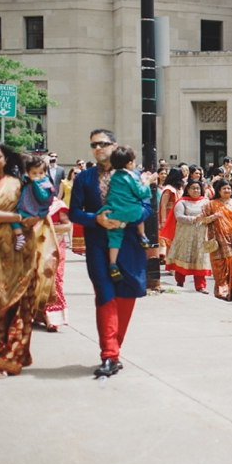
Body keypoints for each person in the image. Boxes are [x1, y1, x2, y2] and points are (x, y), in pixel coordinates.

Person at [69, 129, 152, 377]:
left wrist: (129, 218)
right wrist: (97, 219)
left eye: (103, 144)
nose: (98, 149)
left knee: (126, 296)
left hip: (129, 243)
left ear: (114, 146)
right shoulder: (84, 178)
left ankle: (114, 351)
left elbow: (148, 207)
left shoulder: (133, 175)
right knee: (104, 295)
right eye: (93, 145)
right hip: (97, 244)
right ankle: (109, 355)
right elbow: (74, 213)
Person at [0, 143, 57, 377]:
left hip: (22, 250)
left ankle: (8, 357)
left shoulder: (19, 183)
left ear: (6, 160)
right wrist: (17, 217)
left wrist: (36, 216)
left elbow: (41, 206)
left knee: (22, 303)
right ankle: (3, 350)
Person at [98, 146, 154, 281]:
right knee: (140, 210)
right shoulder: (131, 176)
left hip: (114, 211)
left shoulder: (113, 176)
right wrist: (147, 182)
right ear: (129, 163)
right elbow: (141, 192)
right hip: (131, 211)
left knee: (114, 238)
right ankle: (142, 236)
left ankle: (112, 264)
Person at [165, 179, 212, 294]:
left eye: (198, 188)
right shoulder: (182, 202)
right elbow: (179, 216)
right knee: (184, 256)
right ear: (188, 190)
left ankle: (200, 286)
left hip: (201, 235)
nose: (196, 190)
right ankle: (180, 282)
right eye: (193, 188)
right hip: (185, 235)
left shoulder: (206, 201)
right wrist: (193, 219)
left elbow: (210, 214)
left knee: (199, 257)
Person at [202, 179, 232, 301]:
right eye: (224, 188)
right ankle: (222, 290)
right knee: (219, 266)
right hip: (218, 241)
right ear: (218, 191)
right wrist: (213, 217)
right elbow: (202, 220)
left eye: (229, 188)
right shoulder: (211, 204)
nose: (227, 190)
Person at [38, 195, 73, 331]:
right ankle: (40, 315)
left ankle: (54, 318)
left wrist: (49, 228)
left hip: (55, 247)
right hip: (35, 247)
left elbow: (67, 226)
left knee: (55, 279)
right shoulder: (27, 202)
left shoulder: (57, 205)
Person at [11, 154, 55, 251]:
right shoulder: (25, 181)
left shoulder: (45, 184)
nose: (37, 176)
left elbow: (43, 198)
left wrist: (36, 184)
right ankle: (20, 236)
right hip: (26, 212)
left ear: (45, 173)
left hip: (33, 213)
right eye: (34, 173)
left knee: (13, 217)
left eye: (40, 173)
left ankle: (19, 236)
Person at [158, 167, 185, 265]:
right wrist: (164, 220)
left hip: (178, 217)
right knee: (170, 240)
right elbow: (163, 205)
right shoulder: (168, 189)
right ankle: (171, 263)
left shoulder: (178, 188)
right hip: (170, 217)